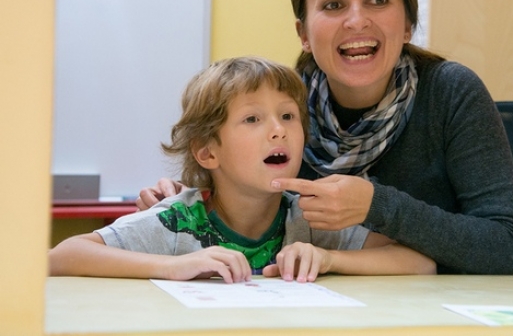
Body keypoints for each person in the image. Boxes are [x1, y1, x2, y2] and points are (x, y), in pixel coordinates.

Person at [139, 0, 513, 275]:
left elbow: (509, 249)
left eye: (378, 0)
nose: (357, 21)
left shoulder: (451, 91)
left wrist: (378, 206)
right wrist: (192, 196)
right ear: (303, 33)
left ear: (408, 23)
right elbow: (248, 206)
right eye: (333, 5)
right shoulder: (284, 107)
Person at [49, 56, 436, 283]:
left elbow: (419, 261)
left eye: (288, 115)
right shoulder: (178, 220)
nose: (278, 129)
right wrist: (172, 266)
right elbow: (61, 256)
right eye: (252, 119)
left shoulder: (310, 216)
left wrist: (332, 259)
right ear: (207, 153)